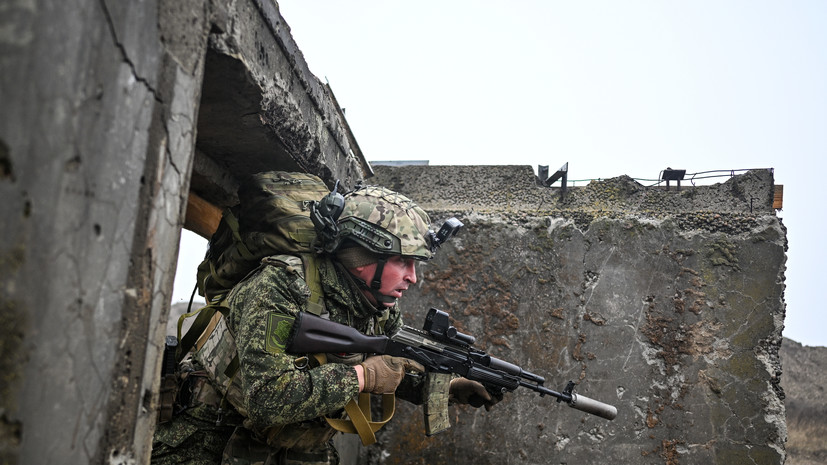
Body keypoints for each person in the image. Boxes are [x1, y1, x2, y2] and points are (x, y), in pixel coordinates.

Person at [152, 184, 498, 465]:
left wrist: (449, 386)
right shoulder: (281, 285)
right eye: (402, 261)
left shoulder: (378, 304)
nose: (413, 277)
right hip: (213, 439)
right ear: (362, 254)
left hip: (301, 447)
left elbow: (392, 369)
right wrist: (362, 376)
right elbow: (267, 399)